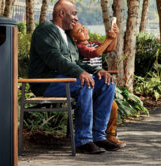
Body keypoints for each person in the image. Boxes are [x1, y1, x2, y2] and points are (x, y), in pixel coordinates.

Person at [28, 0, 120, 154]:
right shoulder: (45, 30)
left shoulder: (67, 37)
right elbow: (56, 59)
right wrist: (79, 73)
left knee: (106, 83)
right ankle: (83, 141)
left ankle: (98, 136)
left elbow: (76, 62)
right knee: (84, 83)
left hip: (66, 80)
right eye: (74, 14)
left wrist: (97, 70)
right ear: (61, 13)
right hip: (46, 83)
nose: (77, 18)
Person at [70, 22, 126, 148]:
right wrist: (108, 39)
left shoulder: (93, 43)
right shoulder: (79, 47)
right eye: (80, 31)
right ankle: (97, 136)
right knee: (110, 106)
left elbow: (110, 48)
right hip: (88, 85)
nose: (84, 30)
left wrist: (115, 36)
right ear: (75, 38)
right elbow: (94, 53)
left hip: (99, 84)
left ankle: (109, 135)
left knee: (113, 107)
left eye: (83, 27)